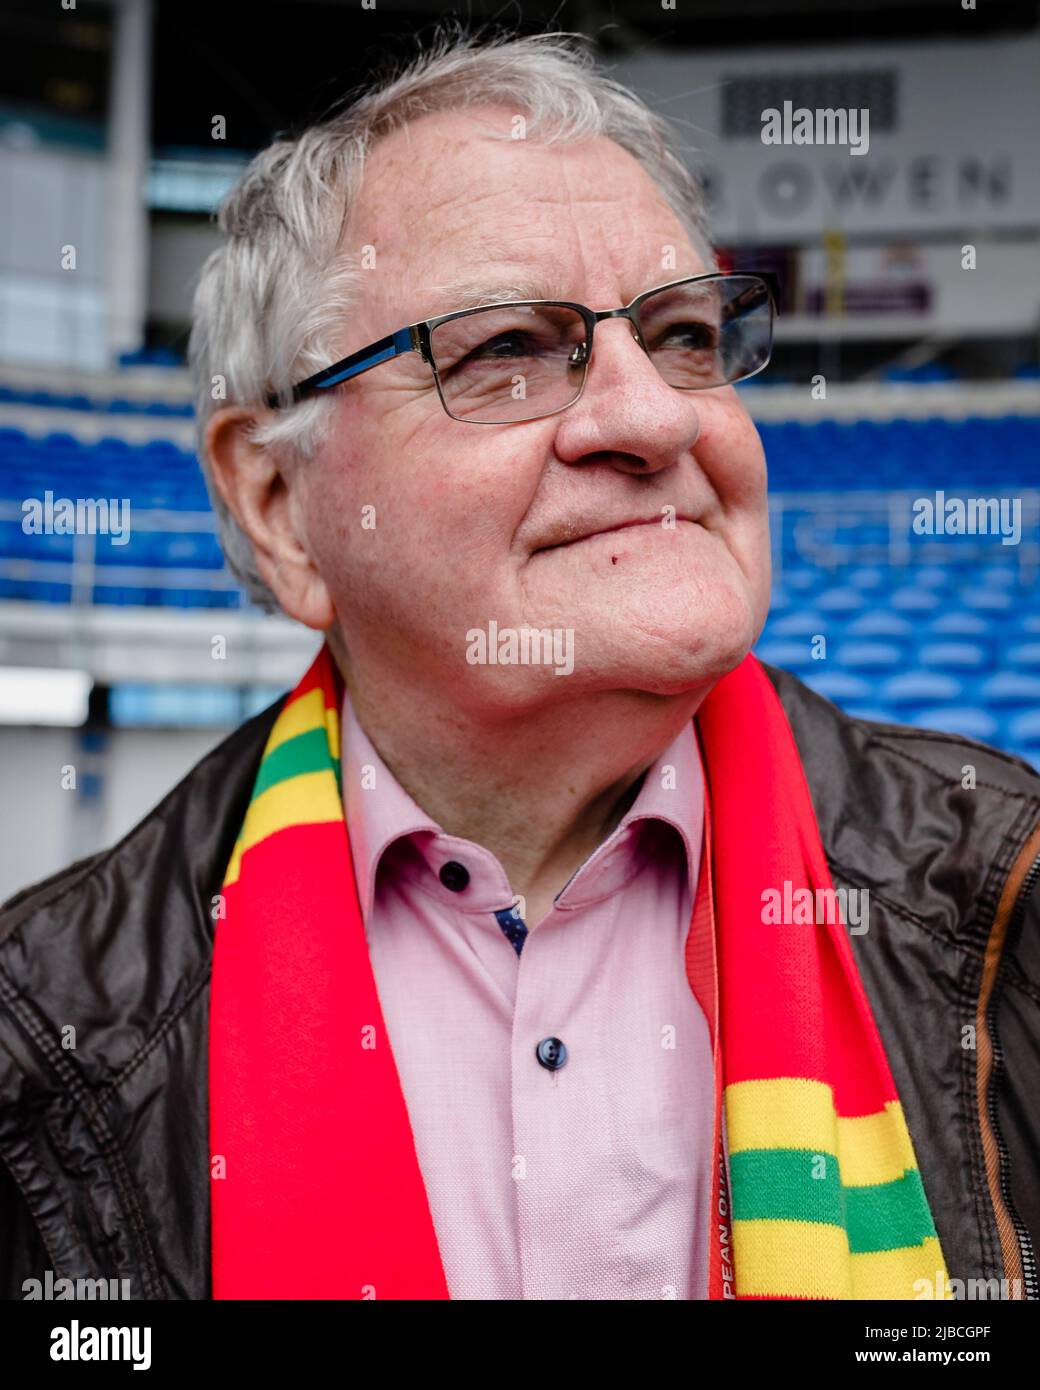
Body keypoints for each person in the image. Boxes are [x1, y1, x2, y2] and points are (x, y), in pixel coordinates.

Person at [2, 29, 1038, 1303]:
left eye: (683, 335)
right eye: (505, 350)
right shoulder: (36, 1036)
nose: (654, 416)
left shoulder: (1016, 908)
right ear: (280, 503)